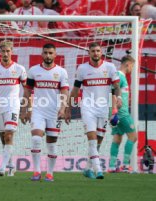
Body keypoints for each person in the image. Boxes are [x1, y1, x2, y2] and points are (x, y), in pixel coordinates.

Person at [65, 42, 122, 179]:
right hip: (88, 107)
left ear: (101, 52)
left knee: (99, 141)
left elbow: (116, 86)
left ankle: (88, 168)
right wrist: (68, 108)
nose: (95, 53)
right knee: (91, 138)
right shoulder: (82, 68)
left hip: (103, 108)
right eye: (93, 51)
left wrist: (118, 99)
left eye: (98, 51)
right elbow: (76, 90)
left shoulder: (110, 67)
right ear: (89, 53)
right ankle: (98, 170)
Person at [20, 43, 69, 182]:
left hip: (54, 112)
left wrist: (63, 108)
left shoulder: (61, 72)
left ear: (55, 55)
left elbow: (65, 91)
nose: (48, 55)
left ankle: (50, 173)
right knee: (36, 139)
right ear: (42, 54)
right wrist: (25, 110)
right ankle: (36, 172)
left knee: (52, 144)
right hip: (38, 110)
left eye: (50, 53)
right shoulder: (34, 70)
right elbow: (27, 90)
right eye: (45, 53)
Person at [0, 40, 27, 177]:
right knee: (3, 136)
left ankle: (2, 168)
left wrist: (27, 108)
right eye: (3, 51)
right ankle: (10, 165)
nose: (5, 53)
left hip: (13, 105)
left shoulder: (20, 69)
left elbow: (27, 90)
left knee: (9, 134)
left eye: (8, 51)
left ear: (12, 52)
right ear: (0, 52)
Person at [108, 55, 137, 173]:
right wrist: (115, 109)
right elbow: (112, 92)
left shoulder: (120, 76)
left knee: (117, 138)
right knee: (133, 137)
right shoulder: (120, 75)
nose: (132, 69)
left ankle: (111, 166)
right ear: (127, 64)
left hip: (115, 112)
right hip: (121, 113)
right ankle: (125, 165)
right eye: (132, 66)